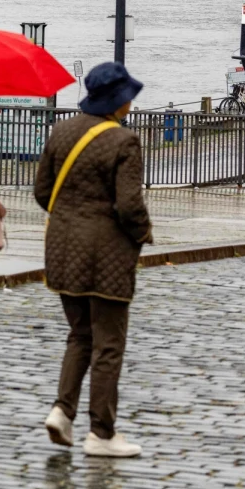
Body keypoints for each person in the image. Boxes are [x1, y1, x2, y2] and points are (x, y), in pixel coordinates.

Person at [34, 62, 152, 459]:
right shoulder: (124, 142)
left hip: (63, 249)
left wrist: (71, 216)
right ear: (118, 101)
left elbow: (42, 191)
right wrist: (142, 234)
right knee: (109, 344)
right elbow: (129, 205)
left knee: (80, 335)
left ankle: (62, 411)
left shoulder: (61, 130)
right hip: (107, 256)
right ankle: (101, 432)